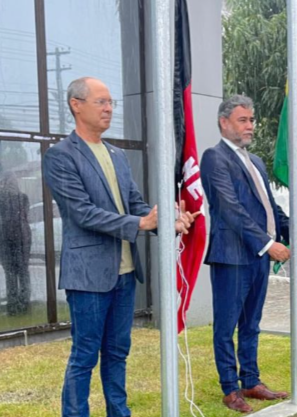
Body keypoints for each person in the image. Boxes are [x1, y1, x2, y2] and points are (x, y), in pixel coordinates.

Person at [43, 77, 197, 417]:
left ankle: (119, 412)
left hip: (125, 274)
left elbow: (135, 203)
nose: (109, 108)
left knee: (117, 352)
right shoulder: (60, 156)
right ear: (76, 104)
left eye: (111, 102)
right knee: (85, 354)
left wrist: (166, 221)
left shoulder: (117, 154)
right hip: (89, 276)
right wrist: (140, 223)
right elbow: (81, 212)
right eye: (101, 102)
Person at [200, 95, 297, 413]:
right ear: (224, 122)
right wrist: (267, 244)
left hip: (257, 258)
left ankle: (250, 380)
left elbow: (269, 208)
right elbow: (230, 209)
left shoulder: (256, 161)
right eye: (243, 120)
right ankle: (230, 389)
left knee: (252, 323)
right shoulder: (214, 157)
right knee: (226, 327)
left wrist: (292, 230)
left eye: (252, 120)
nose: (250, 125)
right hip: (232, 256)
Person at [0, 172, 31, 315]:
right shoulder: (22, 197)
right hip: (18, 238)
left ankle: (16, 304)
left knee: (14, 272)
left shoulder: (16, 197)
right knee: (19, 271)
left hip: (13, 238)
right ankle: (21, 303)